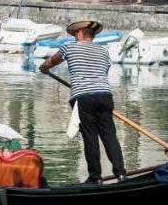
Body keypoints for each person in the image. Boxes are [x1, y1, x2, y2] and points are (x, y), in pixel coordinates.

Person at [39, 20, 126, 184]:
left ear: (79, 33)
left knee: (90, 137)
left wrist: (44, 68)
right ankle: (120, 173)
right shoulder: (103, 51)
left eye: (74, 34)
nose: (73, 37)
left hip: (83, 97)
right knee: (109, 136)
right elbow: (103, 72)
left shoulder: (69, 47)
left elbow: (51, 62)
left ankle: (95, 177)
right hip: (105, 96)